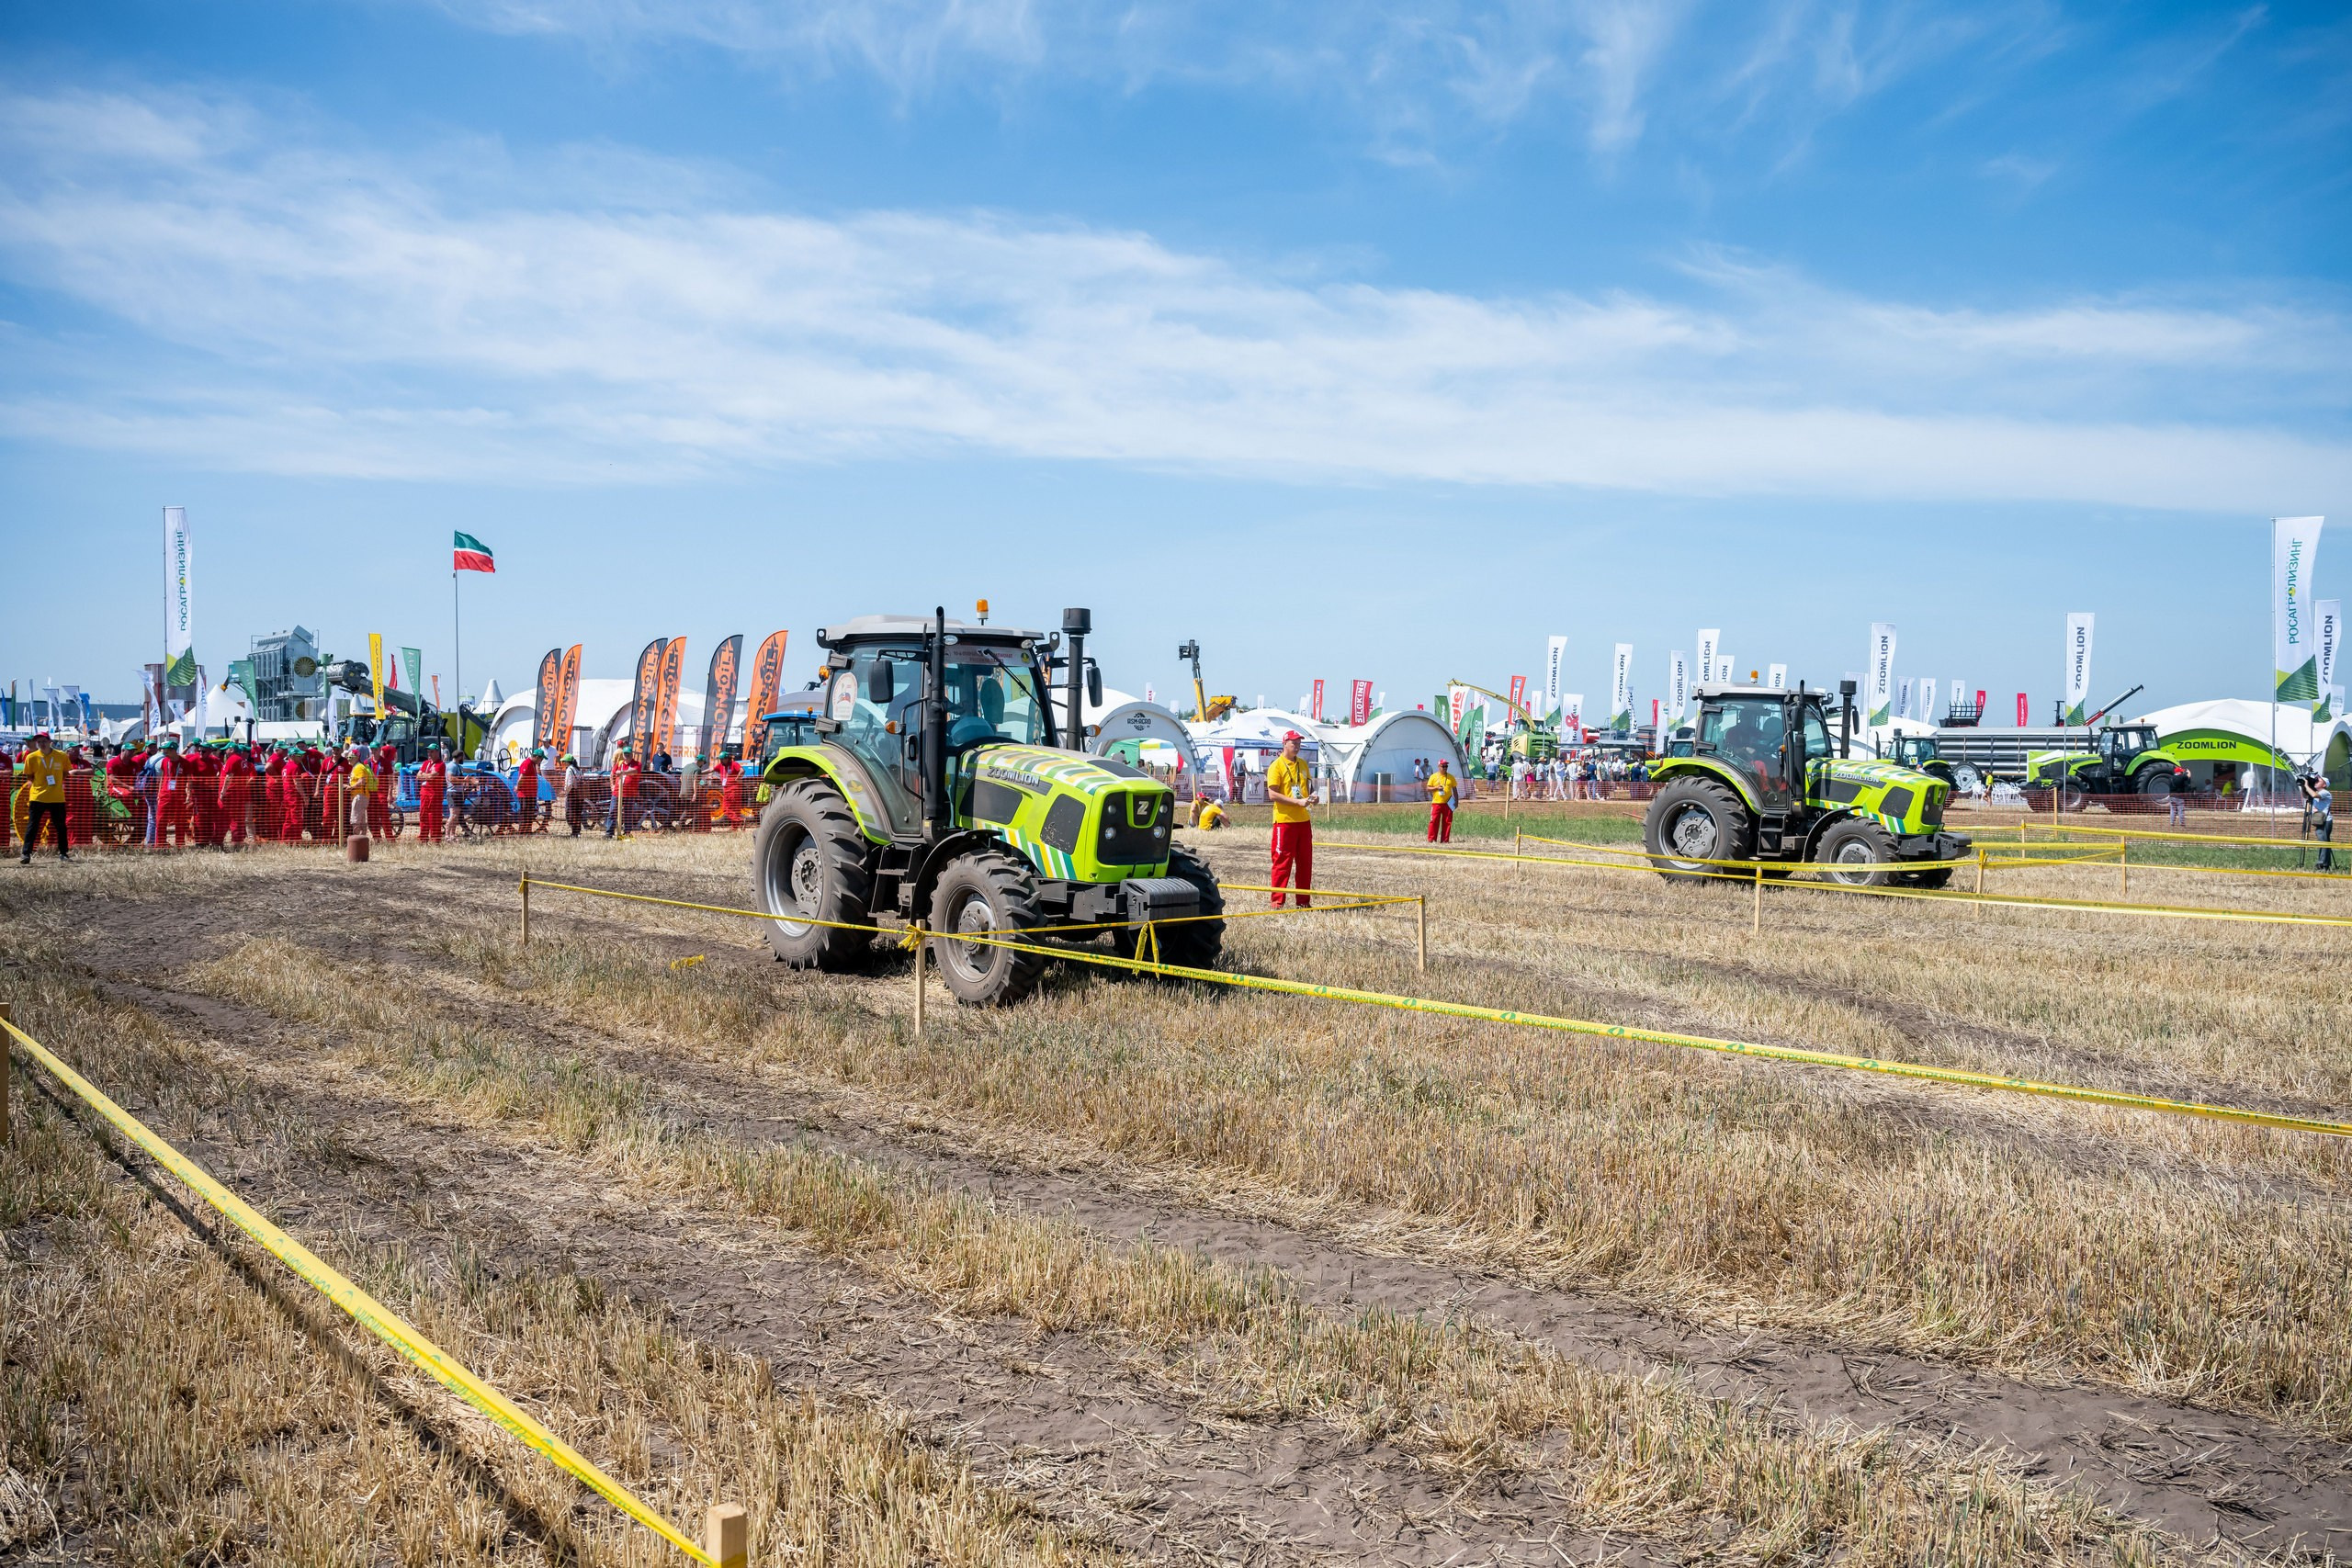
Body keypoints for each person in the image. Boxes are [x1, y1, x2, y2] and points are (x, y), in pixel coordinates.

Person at [1265, 729, 1313, 908]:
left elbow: (1307, 789)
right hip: (1284, 822)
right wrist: (1296, 801)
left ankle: (1303, 902)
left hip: (1303, 821)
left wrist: (1312, 799)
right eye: (1293, 742)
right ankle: (1277, 902)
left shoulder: (1303, 764)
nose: (1297, 745)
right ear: (1284, 743)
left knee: (1305, 863)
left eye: (1299, 742)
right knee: (1282, 863)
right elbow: (1272, 794)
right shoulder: (1276, 766)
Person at [18, 732, 71, 864]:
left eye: (44, 741)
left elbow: (65, 773)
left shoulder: (61, 756)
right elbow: (29, 776)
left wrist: (57, 784)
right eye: (39, 742)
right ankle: (26, 854)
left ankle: (63, 853)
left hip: (57, 797)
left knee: (61, 827)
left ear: (50, 741)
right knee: (33, 826)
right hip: (38, 796)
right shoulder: (31, 757)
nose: (42, 744)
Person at [416, 745, 447, 843]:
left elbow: (432, 777)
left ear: (438, 752)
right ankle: (423, 839)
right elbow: (418, 776)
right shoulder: (426, 763)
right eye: (428, 752)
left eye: (432, 752)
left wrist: (424, 775)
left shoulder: (440, 764)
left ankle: (435, 839)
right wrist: (426, 776)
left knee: (434, 817)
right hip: (424, 794)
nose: (429, 754)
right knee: (423, 816)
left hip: (435, 795)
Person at [2304, 772, 2334, 872]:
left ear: (2324, 784)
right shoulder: (2317, 792)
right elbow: (2305, 795)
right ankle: (2325, 864)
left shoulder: (2325, 792)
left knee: (2324, 842)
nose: (2316, 781)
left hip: (2325, 821)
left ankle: (2323, 864)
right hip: (2320, 821)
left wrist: (2307, 785)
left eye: (2319, 780)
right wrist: (2303, 786)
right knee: (2324, 842)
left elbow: (2313, 794)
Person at [1427, 757, 1458, 843]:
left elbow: (1455, 790)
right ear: (1439, 766)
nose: (1445, 768)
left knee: (1447, 822)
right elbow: (1428, 788)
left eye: (1446, 766)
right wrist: (1436, 787)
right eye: (1443, 766)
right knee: (1434, 821)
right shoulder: (1433, 777)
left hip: (1448, 803)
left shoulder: (1451, 777)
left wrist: (1457, 802)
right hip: (1436, 803)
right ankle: (1432, 839)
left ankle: (1445, 840)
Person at [560, 753, 585, 836]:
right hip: (580, 794)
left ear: (568, 762)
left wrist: (565, 791)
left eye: (564, 761)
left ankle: (574, 832)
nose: (563, 763)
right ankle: (577, 831)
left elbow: (569, 783)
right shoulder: (578, 769)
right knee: (578, 813)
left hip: (572, 794)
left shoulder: (569, 770)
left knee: (570, 813)